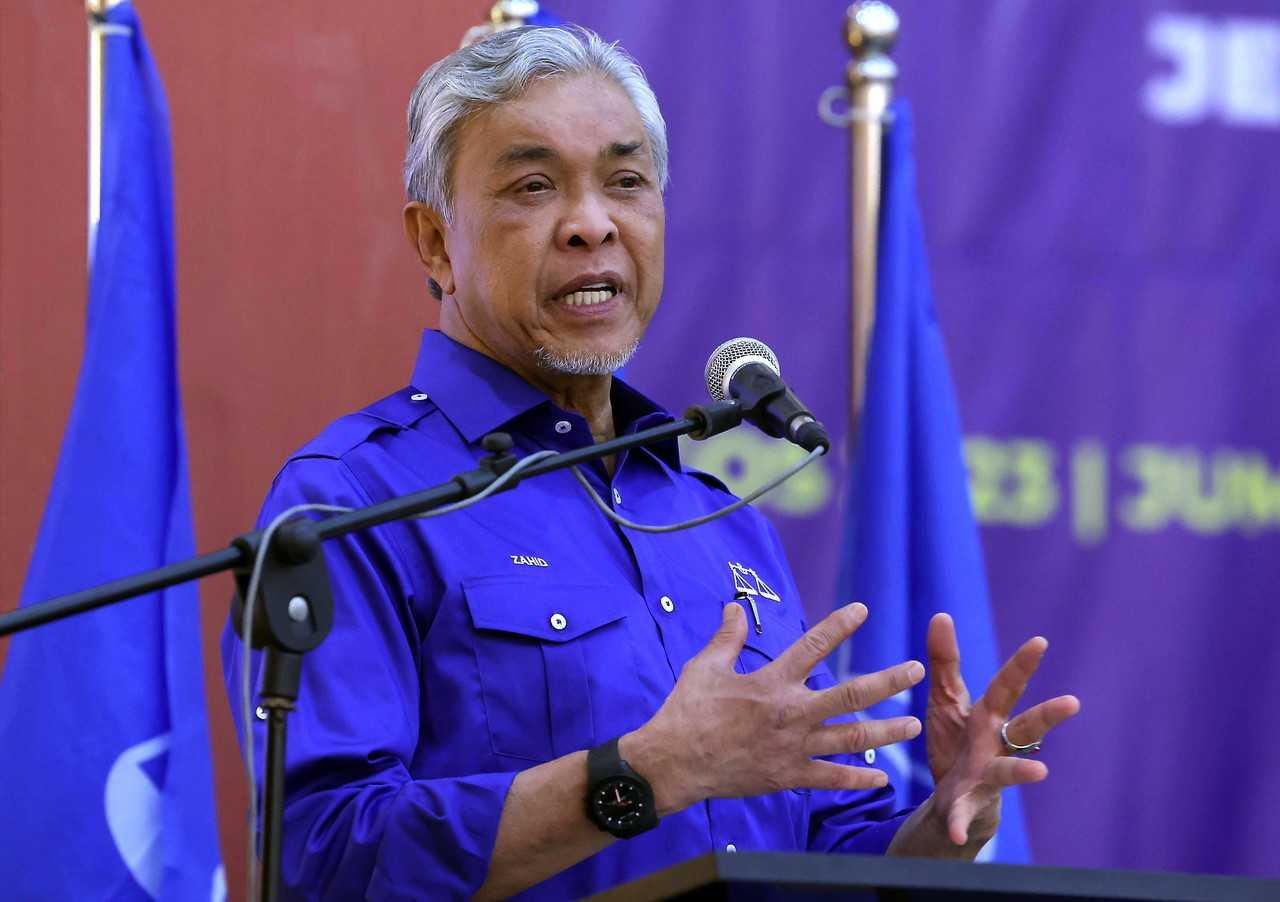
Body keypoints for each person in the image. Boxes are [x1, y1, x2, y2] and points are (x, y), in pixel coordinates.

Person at [222, 25, 1079, 900]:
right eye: (533, 186)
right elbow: (323, 858)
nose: (592, 224)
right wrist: (644, 774)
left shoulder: (717, 521)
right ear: (437, 243)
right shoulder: (354, 500)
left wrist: (937, 831)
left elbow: (810, 851)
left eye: (626, 183)